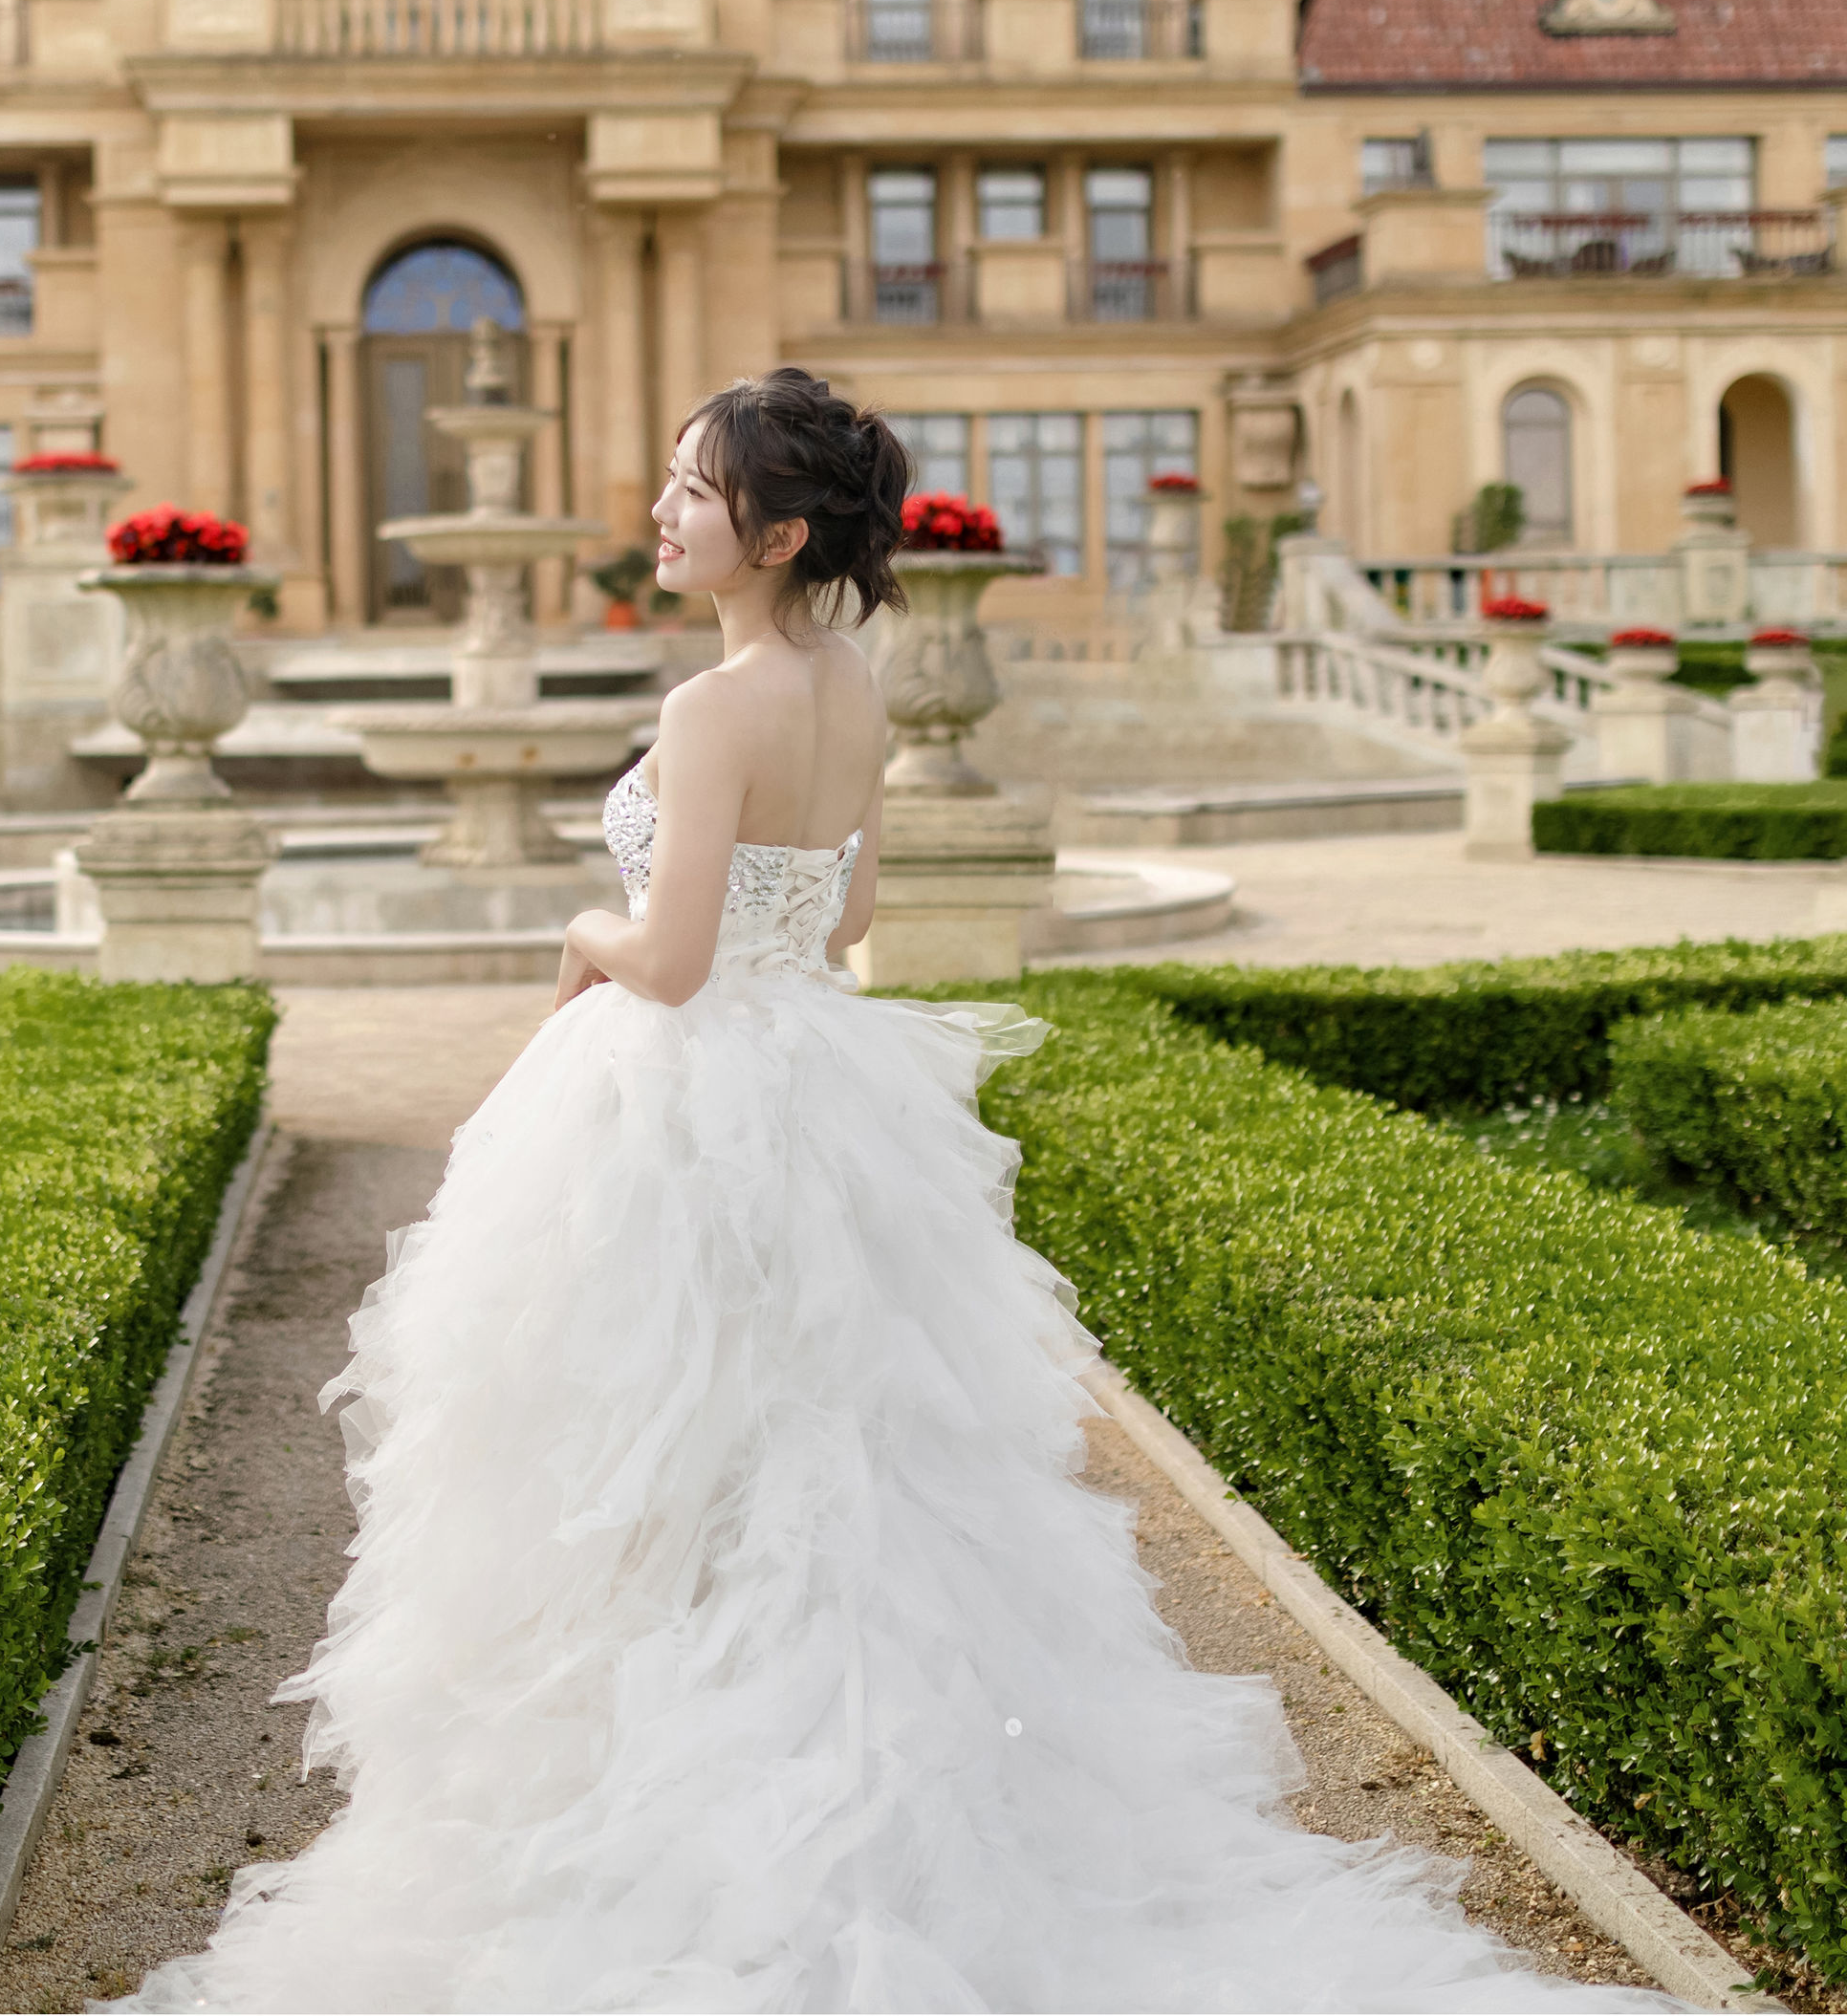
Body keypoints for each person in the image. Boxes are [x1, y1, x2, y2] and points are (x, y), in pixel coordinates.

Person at [129, 370, 1628, 2011]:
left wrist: (579, 934)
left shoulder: (714, 711)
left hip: (686, 1099)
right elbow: (842, 927)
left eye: (693, 492)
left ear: (774, 532)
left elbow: (677, 959)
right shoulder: (847, 678)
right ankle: (858, 1805)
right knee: (825, 1470)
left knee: (655, 1461)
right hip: (819, 1089)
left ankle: (665, 1825)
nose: (660, 510)